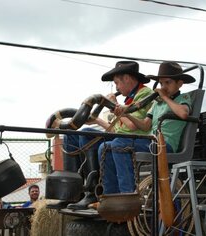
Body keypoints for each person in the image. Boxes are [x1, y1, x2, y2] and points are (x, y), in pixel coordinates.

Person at [50, 61, 153, 210]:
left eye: (117, 82)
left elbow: (131, 126)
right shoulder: (128, 99)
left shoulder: (144, 94)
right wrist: (97, 120)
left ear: (127, 78)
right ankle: (71, 194)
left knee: (87, 134)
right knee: (70, 135)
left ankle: (93, 192)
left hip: (135, 139)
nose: (116, 87)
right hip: (122, 137)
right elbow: (116, 131)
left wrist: (113, 104)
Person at [98, 61, 195, 194]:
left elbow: (184, 113)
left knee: (118, 144)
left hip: (165, 145)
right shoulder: (157, 104)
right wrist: (126, 114)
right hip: (152, 142)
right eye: (161, 83)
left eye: (168, 82)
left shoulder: (183, 98)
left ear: (180, 83)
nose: (163, 87)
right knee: (104, 147)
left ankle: (127, 195)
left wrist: (165, 97)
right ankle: (111, 196)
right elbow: (145, 125)